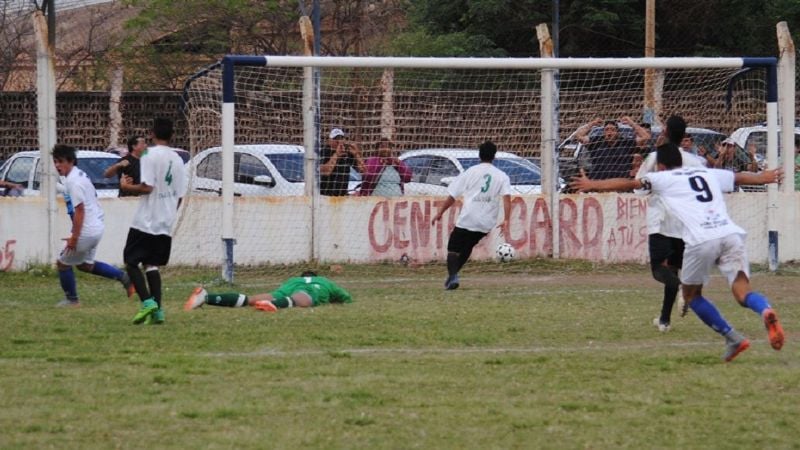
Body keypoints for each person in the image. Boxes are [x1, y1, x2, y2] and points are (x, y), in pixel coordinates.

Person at [571, 143, 785, 362]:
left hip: (701, 239)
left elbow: (628, 182)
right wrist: (764, 177)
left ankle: (733, 338)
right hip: (730, 234)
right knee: (742, 291)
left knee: (692, 295)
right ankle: (765, 310)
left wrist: (591, 184)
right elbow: (738, 177)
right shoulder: (706, 172)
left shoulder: (663, 178)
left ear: (661, 166)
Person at [635, 116, 704, 332]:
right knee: (673, 268)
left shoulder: (656, 158)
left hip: (661, 221)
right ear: (684, 135)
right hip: (684, 222)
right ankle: (664, 321)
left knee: (659, 270)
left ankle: (683, 289)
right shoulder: (694, 161)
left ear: (665, 131)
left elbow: (639, 187)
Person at [120, 118, 187, 325]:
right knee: (152, 264)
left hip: (146, 219)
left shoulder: (149, 154)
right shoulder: (177, 159)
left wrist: (126, 187)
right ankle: (158, 311)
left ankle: (148, 302)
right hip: (165, 220)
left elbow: (147, 187)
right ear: (171, 135)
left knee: (131, 261)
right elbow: (180, 195)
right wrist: (169, 214)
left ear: (152, 134)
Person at [51, 144, 133, 307]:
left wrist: (75, 237)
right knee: (85, 265)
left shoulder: (74, 181)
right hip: (97, 226)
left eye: (61, 161)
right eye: (55, 162)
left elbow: (80, 211)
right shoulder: (79, 175)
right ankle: (124, 278)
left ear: (71, 161)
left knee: (63, 263)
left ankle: (72, 300)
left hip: (87, 230)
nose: (57, 165)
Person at [431, 140, 511, 290]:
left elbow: (453, 195)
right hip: (486, 222)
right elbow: (507, 197)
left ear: (479, 155)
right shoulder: (502, 176)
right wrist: (506, 219)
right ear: (494, 156)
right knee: (468, 246)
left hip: (468, 218)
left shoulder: (470, 172)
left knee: (453, 249)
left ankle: (453, 276)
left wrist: (441, 212)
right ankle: (452, 277)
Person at [183, 271, 352, 312]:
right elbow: (346, 297)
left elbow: (281, 290)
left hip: (287, 287)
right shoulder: (324, 281)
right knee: (301, 298)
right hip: (309, 291)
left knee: (251, 298)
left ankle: (206, 297)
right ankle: (271, 305)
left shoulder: (293, 280)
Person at [574, 116, 651, 180]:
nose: (609, 132)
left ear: (617, 133)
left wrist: (632, 123)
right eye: (606, 130)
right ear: (604, 132)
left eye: (612, 130)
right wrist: (592, 124)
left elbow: (646, 137)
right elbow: (578, 136)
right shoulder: (596, 142)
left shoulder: (625, 143)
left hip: (621, 184)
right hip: (598, 183)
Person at [319, 128, 365, 196]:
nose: (339, 141)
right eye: (336, 139)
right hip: (325, 195)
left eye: (341, 138)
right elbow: (326, 172)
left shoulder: (347, 153)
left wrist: (356, 154)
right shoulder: (324, 151)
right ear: (329, 141)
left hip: (342, 195)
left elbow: (363, 170)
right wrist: (336, 155)